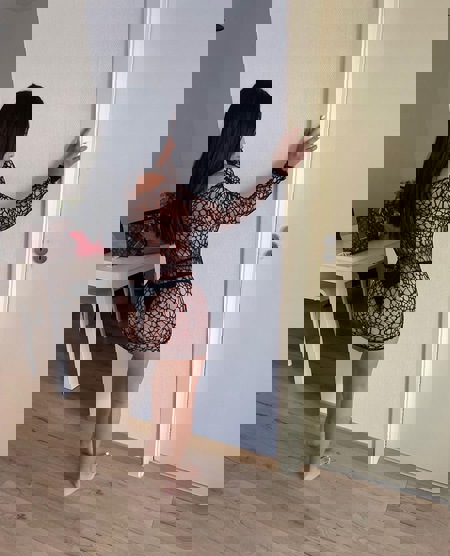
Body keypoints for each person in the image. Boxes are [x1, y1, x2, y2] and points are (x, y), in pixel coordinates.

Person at [64, 84, 320, 495]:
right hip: (161, 303)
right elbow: (246, 204)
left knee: (108, 378)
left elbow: (135, 236)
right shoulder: (209, 207)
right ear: (229, 161)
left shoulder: (177, 198)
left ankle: (89, 456)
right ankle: (91, 456)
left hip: (133, 290)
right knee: (125, 386)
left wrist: (105, 253)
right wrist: (282, 169)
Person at [300, 128, 450, 480]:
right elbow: (414, 243)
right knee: (351, 379)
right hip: (389, 294)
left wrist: (350, 249)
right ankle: (319, 454)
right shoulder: (436, 195)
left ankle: (319, 452)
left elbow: (383, 223)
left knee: (339, 372)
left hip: (370, 281)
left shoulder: (423, 182)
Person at [0, 86, 88, 231]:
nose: (14, 152)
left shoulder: (6, 166)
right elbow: (16, 209)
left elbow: (18, 206)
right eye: (14, 141)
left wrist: (62, 167)